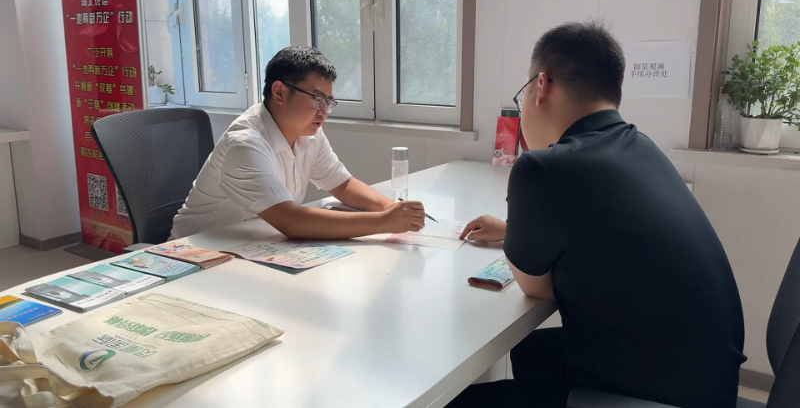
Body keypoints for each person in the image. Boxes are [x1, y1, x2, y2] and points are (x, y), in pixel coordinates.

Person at [451, 21, 746, 408]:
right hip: (704, 383)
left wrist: (523, 227)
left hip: (645, 395)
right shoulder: (641, 146)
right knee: (531, 350)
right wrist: (512, 229)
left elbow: (537, 287)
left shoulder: (541, 169)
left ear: (542, 85)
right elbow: (605, 235)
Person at [170, 46, 425, 240]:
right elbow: (291, 221)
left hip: (251, 247)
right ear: (279, 92)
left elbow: (343, 185)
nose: (324, 112)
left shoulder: (309, 133)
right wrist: (383, 222)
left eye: (328, 103)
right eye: (317, 99)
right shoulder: (245, 144)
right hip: (195, 257)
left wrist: (394, 210)